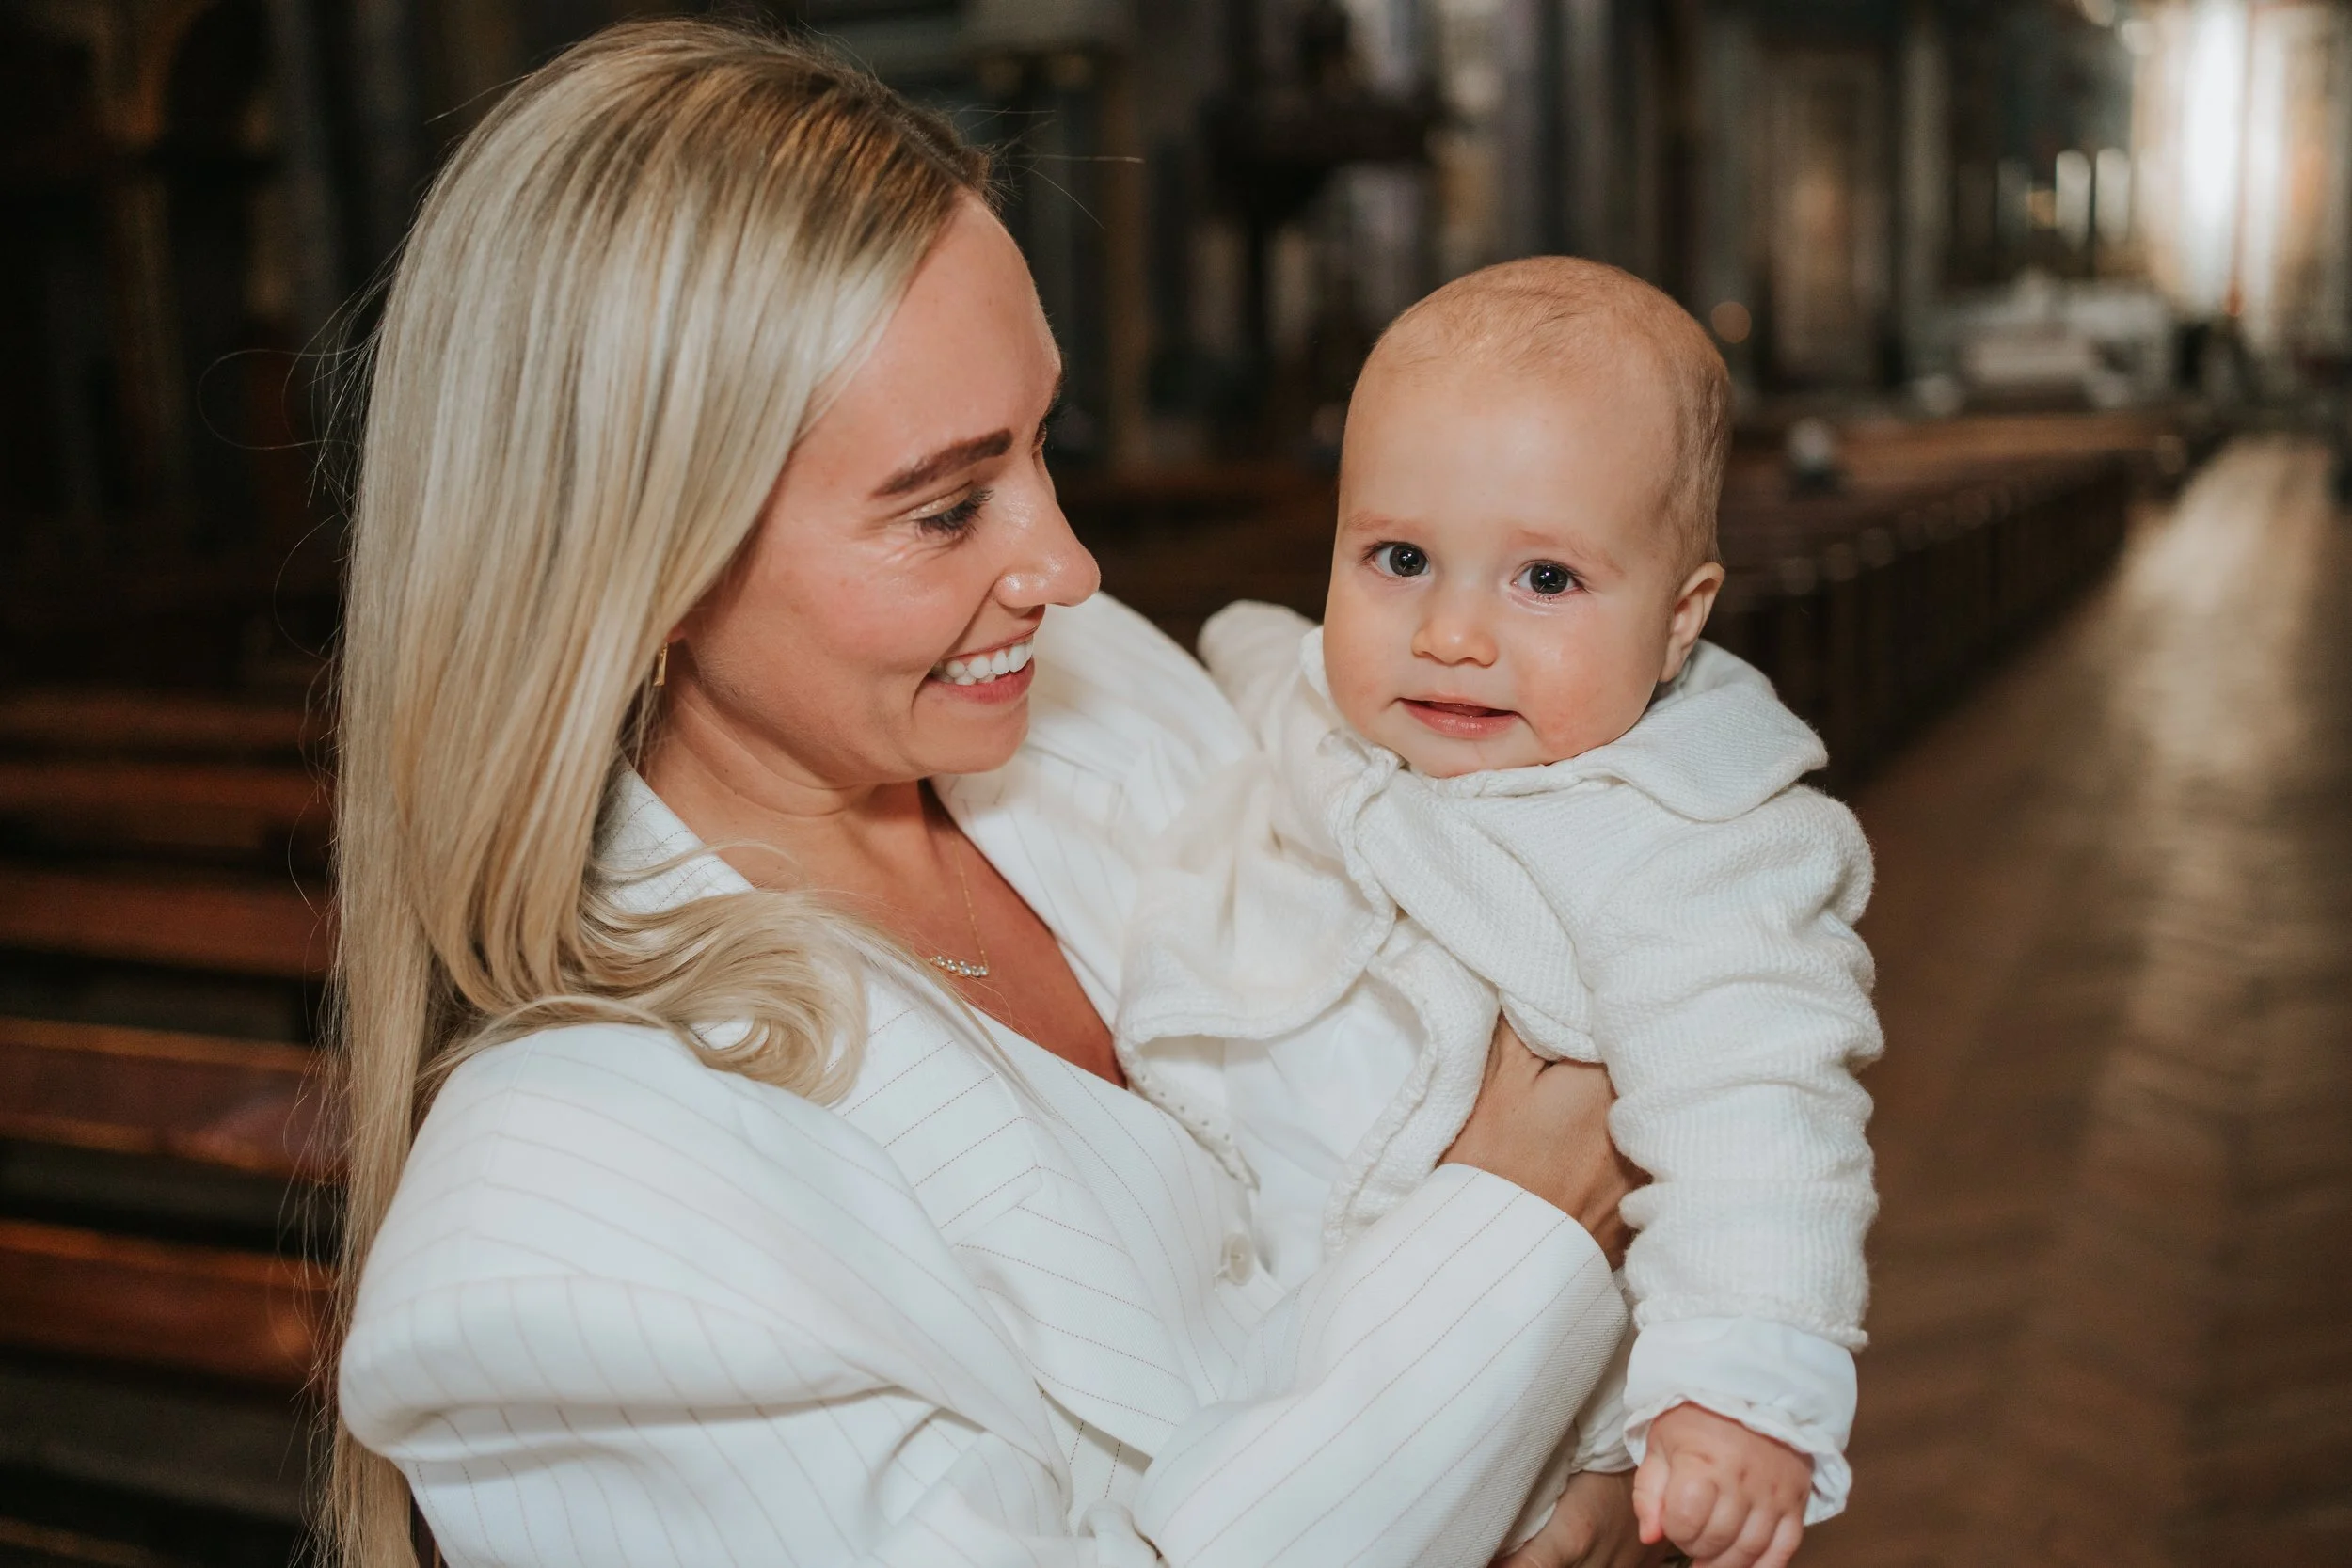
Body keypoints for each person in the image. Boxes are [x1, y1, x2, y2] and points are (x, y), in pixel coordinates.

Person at [327, 23, 1649, 1568]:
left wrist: (1610, 1462)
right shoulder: (565, 1232)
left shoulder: (1099, 691)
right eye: (948, 505)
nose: (1069, 568)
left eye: (1044, 442)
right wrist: (1523, 1231)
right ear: (644, 565)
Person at [1116, 259, 1884, 1568]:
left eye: (1546, 580)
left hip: (1524, 1373)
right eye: (1402, 558)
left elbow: (1760, 1112)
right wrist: (1226, 647)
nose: (1456, 631)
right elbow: (1274, 669)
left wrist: (1744, 1384)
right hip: (1301, 1337)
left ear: (1679, 620)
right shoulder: (1344, 700)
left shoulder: (1689, 843)